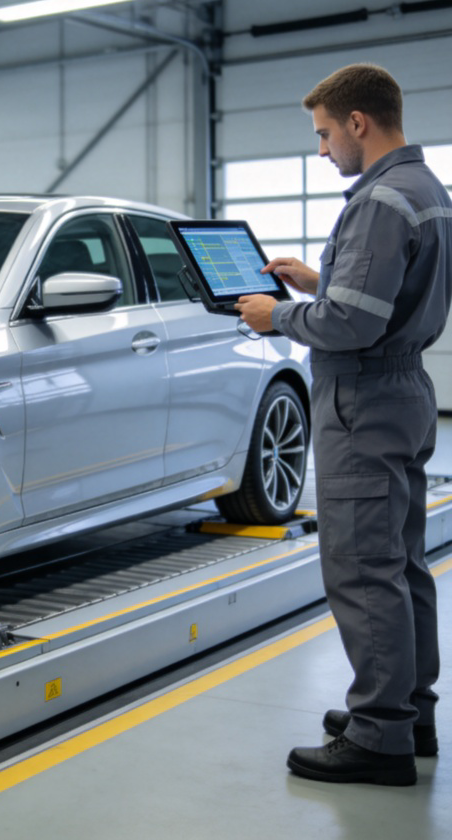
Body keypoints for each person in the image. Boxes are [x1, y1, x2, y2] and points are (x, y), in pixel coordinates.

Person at [235, 63, 452, 787]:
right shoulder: (426, 192)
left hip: (362, 399)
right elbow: (380, 297)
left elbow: (351, 325)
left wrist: (280, 315)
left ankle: (378, 736)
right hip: (404, 391)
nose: (324, 151)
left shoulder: (379, 201)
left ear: (359, 122)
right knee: (401, 560)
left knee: (361, 568)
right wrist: (317, 283)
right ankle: (407, 711)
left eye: (326, 135)